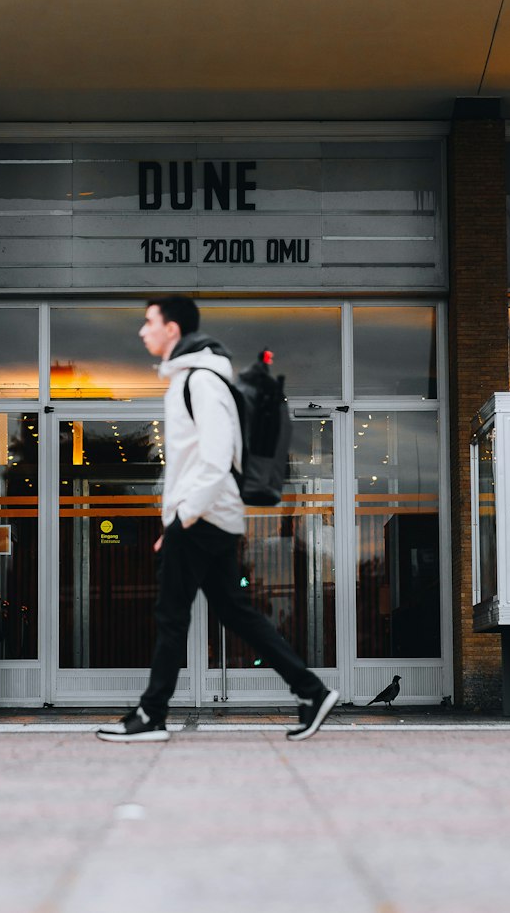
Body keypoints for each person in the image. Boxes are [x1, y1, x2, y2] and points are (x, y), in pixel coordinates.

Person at [97, 295, 339, 743]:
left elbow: (214, 458)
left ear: (172, 329)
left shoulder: (201, 382)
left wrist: (182, 518)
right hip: (206, 517)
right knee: (235, 612)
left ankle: (151, 716)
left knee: (171, 614)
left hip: (204, 516)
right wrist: (174, 522)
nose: (141, 331)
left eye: (148, 322)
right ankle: (311, 691)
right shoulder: (193, 379)